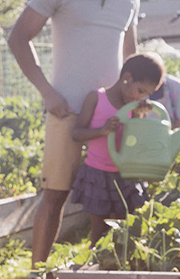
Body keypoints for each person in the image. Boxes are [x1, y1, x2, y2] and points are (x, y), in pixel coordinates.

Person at [6, 0, 146, 279]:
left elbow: (131, 55)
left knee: (114, 196)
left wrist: (135, 102)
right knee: (55, 193)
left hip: (113, 116)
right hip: (65, 109)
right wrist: (47, 93)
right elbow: (19, 37)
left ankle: (99, 277)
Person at [70, 53, 164, 246]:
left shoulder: (134, 106)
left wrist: (138, 116)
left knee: (124, 228)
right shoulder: (96, 98)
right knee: (99, 229)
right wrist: (102, 131)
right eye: (139, 90)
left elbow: (135, 141)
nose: (140, 97)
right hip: (98, 173)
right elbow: (76, 133)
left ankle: (118, 267)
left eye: (145, 94)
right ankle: (96, 267)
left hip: (124, 174)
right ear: (126, 78)